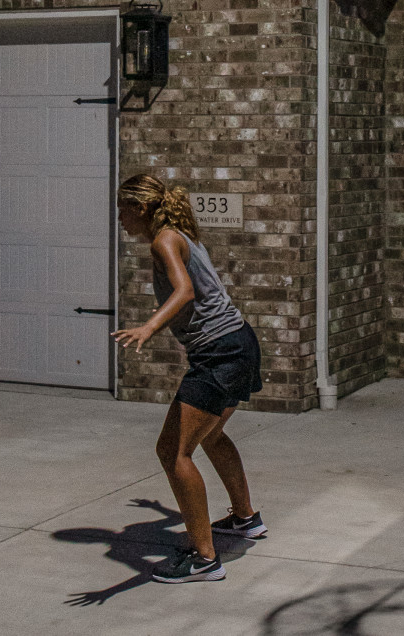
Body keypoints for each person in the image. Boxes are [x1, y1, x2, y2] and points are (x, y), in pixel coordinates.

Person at [112, 173, 266, 584]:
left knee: (172, 451)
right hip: (239, 343)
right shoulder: (177, 231)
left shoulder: (164, 240)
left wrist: (147, 328)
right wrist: (158, 515)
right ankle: (246, 519)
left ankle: (203, 559)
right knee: (210, 436)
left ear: (140, 208)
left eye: (122, 209)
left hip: (221, 353)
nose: (120, 218)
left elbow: (184, 293)